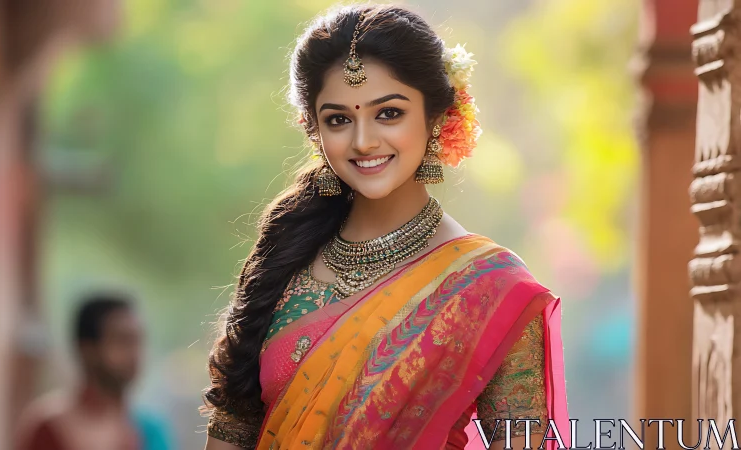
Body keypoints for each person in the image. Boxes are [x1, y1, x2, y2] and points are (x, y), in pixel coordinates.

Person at [202, 4, 569, 450]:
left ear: (436, 115)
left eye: (388, 113)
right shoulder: (284, 260)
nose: (363, 141)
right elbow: (232, 429)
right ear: (314, 130)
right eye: (339, 119)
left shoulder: (490, 287)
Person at [15, 293, 174, 450]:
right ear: (87, 349)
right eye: (122, 341)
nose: (134, 354)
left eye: (137, 342)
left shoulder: (151, 432)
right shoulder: (50, 428)